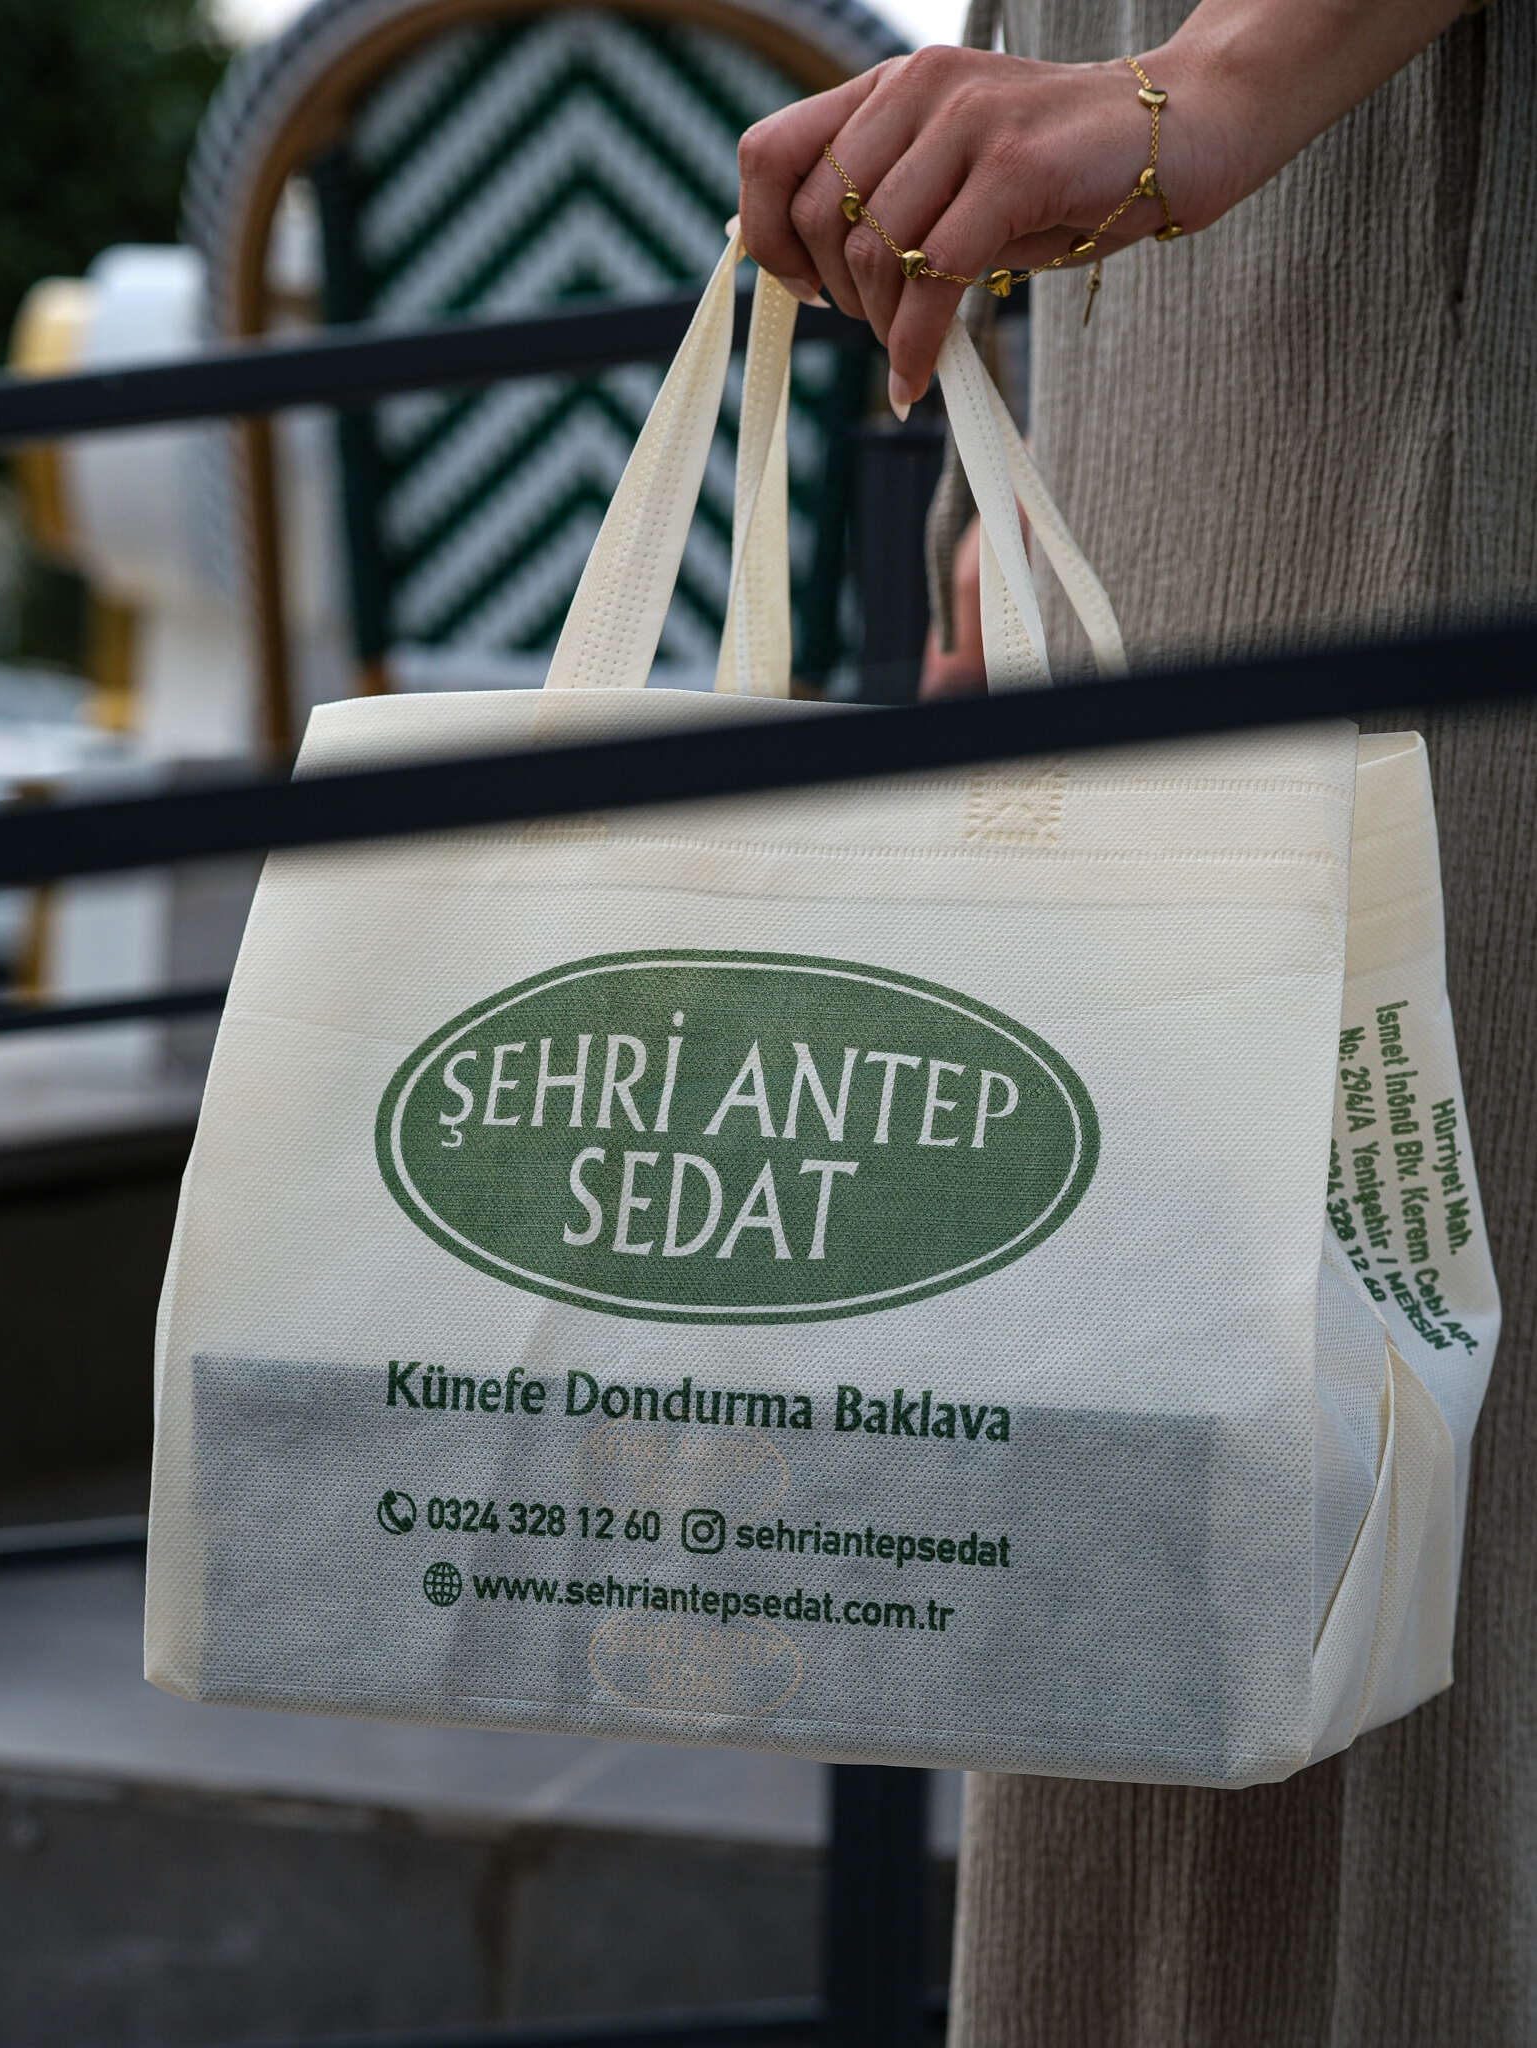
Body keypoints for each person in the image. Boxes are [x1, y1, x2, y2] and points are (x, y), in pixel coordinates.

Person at [738, 3, 1537, 2042]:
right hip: (1163, 425)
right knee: (1173, 1551)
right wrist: (995, 516)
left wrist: (1217, 81)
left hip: (1402, 367)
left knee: (1396, 1602)